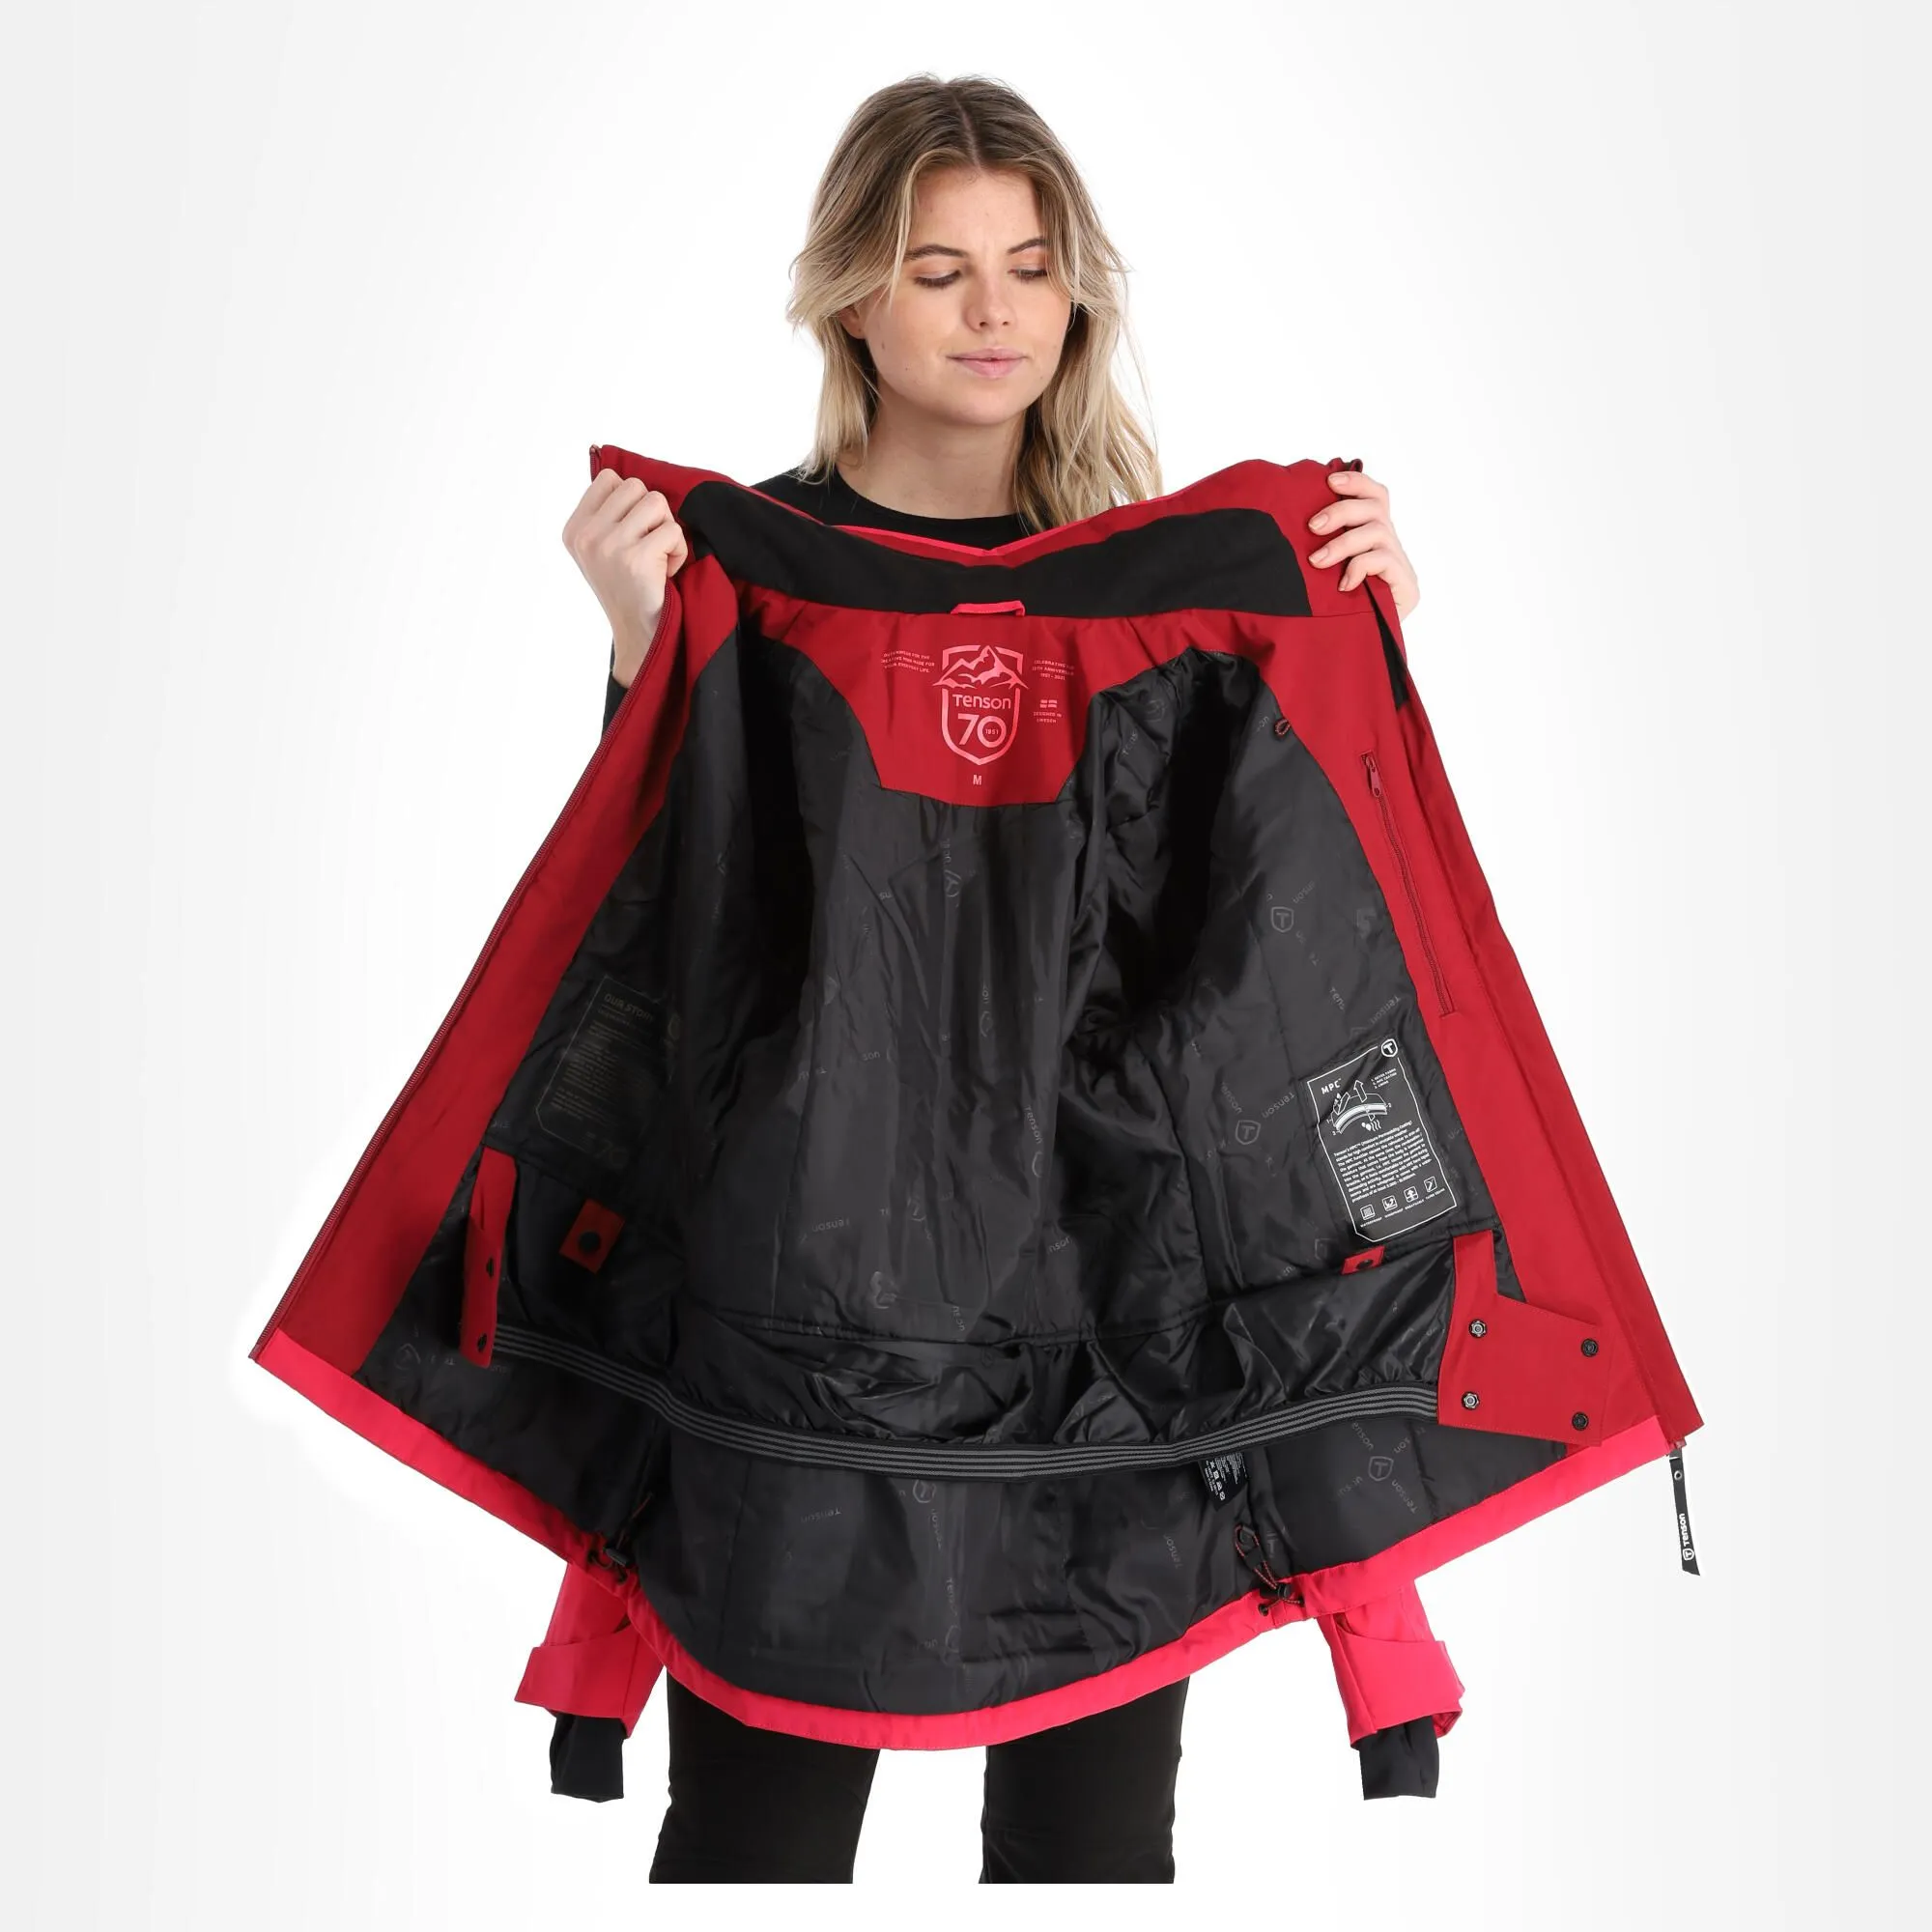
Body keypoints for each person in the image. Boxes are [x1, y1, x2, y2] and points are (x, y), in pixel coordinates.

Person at [559, 71, 1425, 1886]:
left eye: (1029, 265)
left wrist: (1359, 650)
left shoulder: (1171, 587)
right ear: (851, 301)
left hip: (1107, 1316)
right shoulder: (744, 576)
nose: (992, 311)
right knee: (756, 1845)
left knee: (1091, 1852)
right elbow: (661, 941)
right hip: (807, 1310)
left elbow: (1279, 942)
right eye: (937, 267)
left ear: (1077, 292)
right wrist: (645, 658)